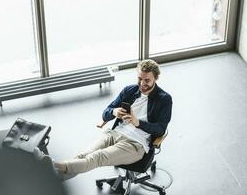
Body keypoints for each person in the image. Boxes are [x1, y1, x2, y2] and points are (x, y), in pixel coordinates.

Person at [35, 59, 172, 180]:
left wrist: (138, 123)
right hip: (115, 134)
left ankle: (52, 164)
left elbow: (160, 129)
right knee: (84, 155)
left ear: (156, 78)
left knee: (96, 158)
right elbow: (105, 114)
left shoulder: (164, 99)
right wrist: (114, 111)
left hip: (136, 144)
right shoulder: (129, 91)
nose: (142, 83)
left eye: (147, 80)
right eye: (139, 78)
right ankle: (52, 180)